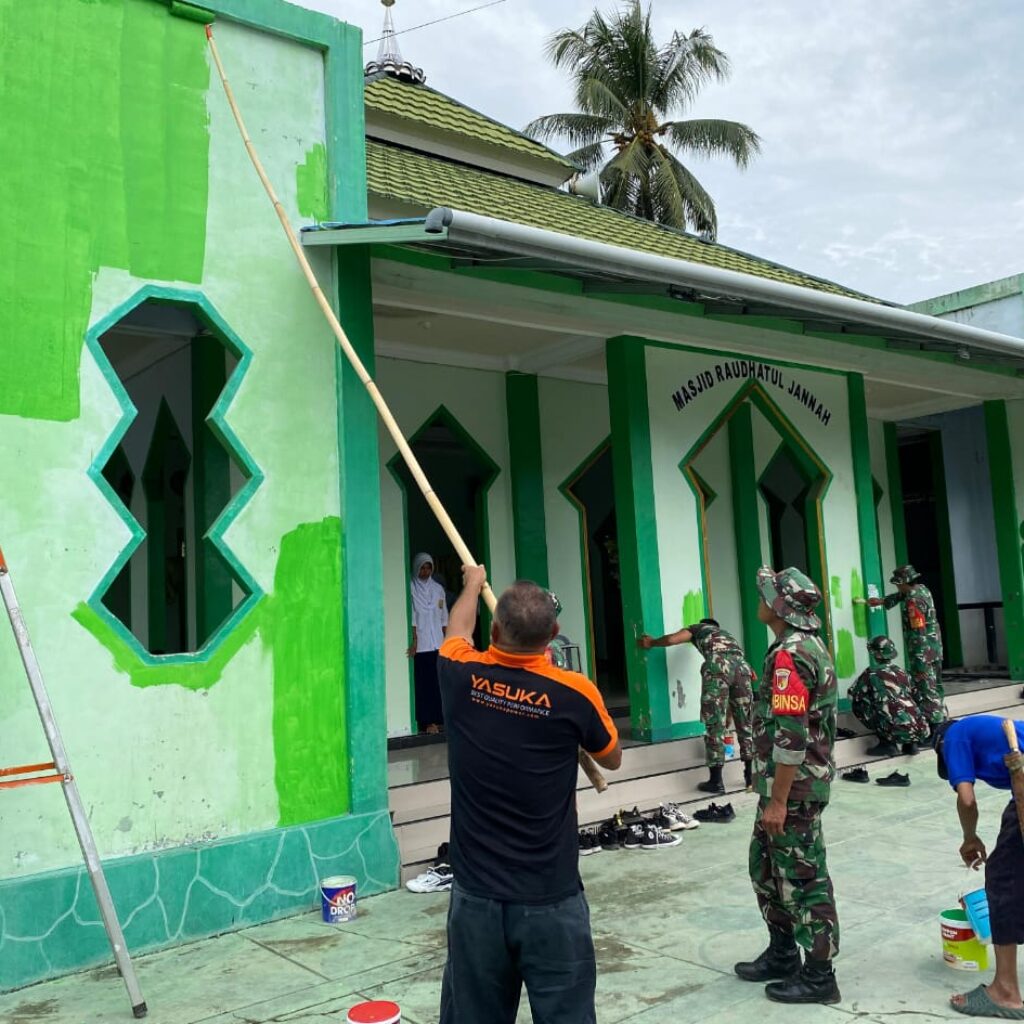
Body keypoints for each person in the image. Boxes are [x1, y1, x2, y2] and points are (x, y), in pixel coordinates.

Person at [437, 566, 622, 1024]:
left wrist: (472, 583)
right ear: (554, 634)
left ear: (495, 630)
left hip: (476, 900)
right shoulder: (574, 693)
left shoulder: (461, 674)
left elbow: (456, 627)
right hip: (550, 902)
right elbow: (613, 757)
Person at [734, 566, 841, 1005]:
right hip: (782, 787)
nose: (760, 597)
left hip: (792, 789)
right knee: (765, 867)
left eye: (767, 594)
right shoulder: (795, 646)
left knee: (803, 878)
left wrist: (777, 801)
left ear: (780, 608)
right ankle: (782, 953)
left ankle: (820, 975)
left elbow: (791, 737)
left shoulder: (791, 655)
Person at [934, 716, 1024, 1019]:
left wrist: (969, 838)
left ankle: (1006, 993)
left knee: (1003, 880)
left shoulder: (955, 736)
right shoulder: (988, 730)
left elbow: (967, 799)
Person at [639, 618, 754, 792]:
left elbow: (671, 640)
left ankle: (716, 781)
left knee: (714, 724)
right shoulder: (728, 636)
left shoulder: (699, 628)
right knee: (745, 723)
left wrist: (652, 642)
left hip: (717, 667)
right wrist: (729, 715)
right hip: (744, 668)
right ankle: (750, 779)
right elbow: (734, 698)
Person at [867, 565, 944, 732]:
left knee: (926, 691)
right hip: (935, 649)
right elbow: (901, 595)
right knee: (936, 686)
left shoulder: (913, 602)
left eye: (898, 584)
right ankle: (941, 720)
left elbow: (918, 634)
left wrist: (920, 663)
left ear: (904, 582)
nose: (897, 587)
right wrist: (882, 601)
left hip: (923, 653)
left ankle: (935, 728)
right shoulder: (922, 590)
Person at [848, 635, 929, 757]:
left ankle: (887, 744)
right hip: (919, 727)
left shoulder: (871, 673)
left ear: (876, 654)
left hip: (895, 726)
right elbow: (915, 694)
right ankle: (911, 744)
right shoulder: (902, 671)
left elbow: (851, 694)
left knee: (860, 703)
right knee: (903, 702)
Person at [407, 552, 448, 734]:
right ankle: (427, 722)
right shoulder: (411, 587)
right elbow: (412, 616)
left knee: (439, 683)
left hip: (437, 643)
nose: (425, 571)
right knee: (425, 686)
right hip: (422, 646)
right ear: (416, 568)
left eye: (428, 567)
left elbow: (444, 616)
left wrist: (448, 641)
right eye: (422, 567)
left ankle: (440, 720)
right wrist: (415, 640)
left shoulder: (438, 588)